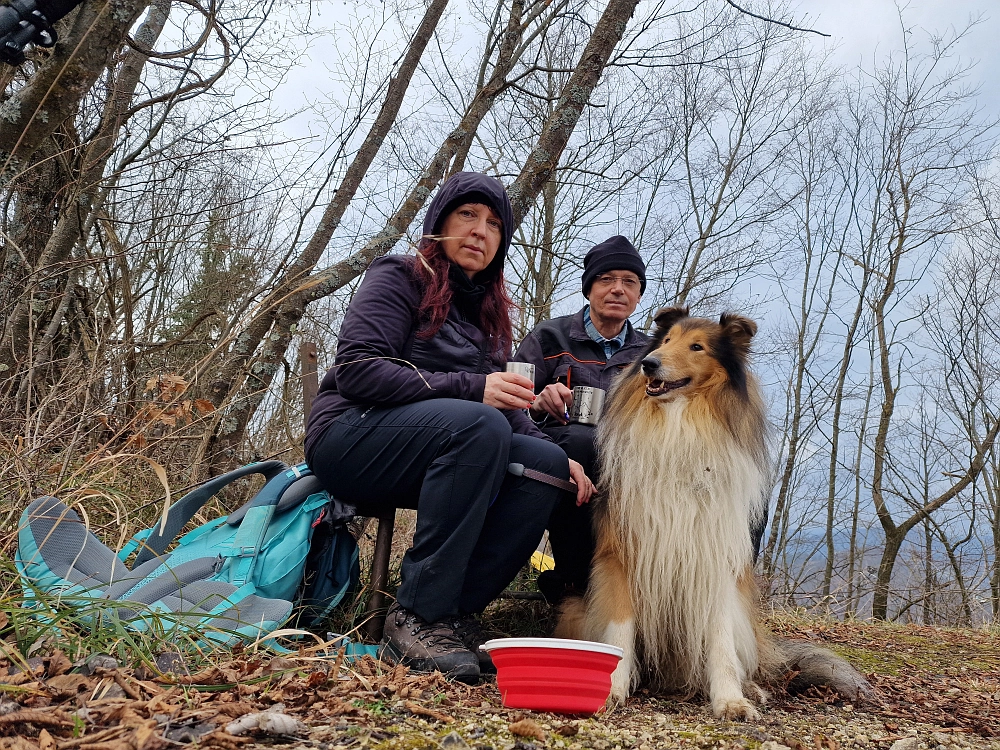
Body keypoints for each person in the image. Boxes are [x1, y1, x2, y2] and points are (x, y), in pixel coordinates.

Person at [305, 172, 594, 683]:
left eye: (494, 225)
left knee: (546, 466)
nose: (481, 231)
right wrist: (470, 388)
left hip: (448, 450)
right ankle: (417, 612)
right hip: (352, 437)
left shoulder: (488, 316)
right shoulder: (397, 276)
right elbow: (357, 369)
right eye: (468, 216)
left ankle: (453, 618)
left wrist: (558, 451)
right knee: (478, 423)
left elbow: (506, 409)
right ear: (439, 223)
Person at [511, 236, 649, 604]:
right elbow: (507, 401)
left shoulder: (651, 353)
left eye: (629, 282)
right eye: (606, 279)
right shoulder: (549, 336)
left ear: (638, 295)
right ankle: (575, 583)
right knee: (581, 442)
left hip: (633, 455)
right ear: (589, 289)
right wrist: (539, 401)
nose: (618, 289)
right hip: (559, 449)